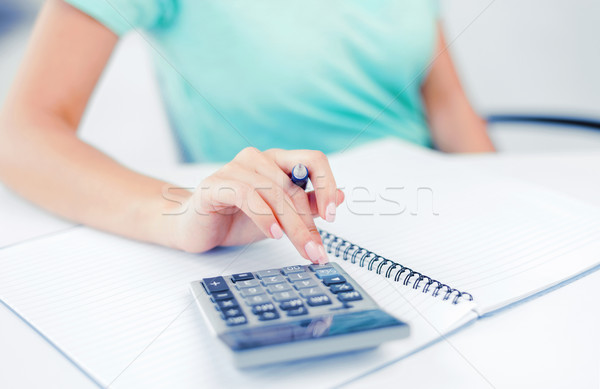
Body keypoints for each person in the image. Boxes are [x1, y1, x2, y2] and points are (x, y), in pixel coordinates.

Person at [0, 0, 494, 265]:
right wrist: (175, 215)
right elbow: (19, 135)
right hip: (284, 249)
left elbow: (449, 109)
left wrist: (509, 205)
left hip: (430, 221)